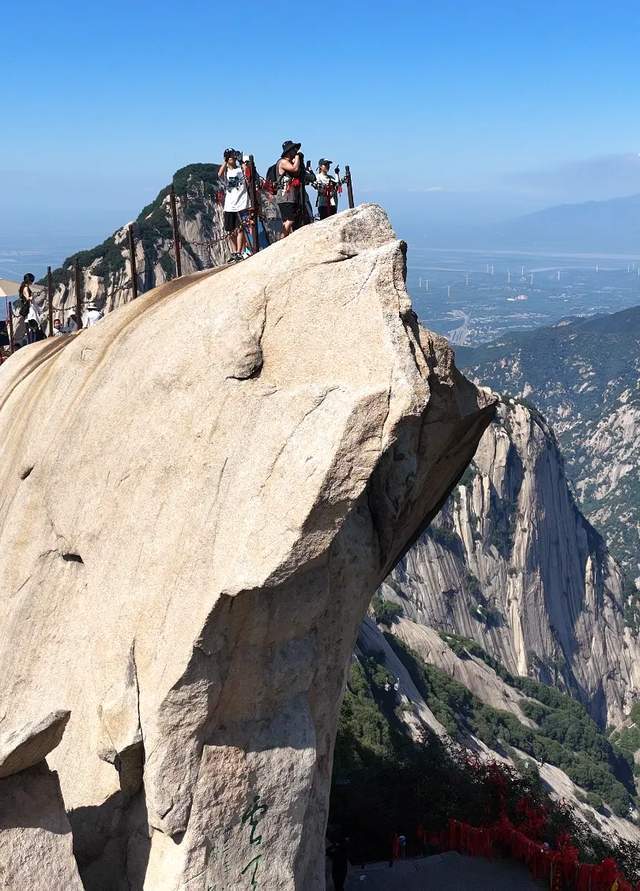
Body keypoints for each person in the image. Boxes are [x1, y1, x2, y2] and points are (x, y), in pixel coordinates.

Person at [218, 148, 250, 261]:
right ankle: (234, 252)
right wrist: (226, 160)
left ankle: (239, 252)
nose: (232, 158)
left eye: (233, 156)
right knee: (230, 231)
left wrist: (241, 161)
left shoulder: (240, 169)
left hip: (242, 204)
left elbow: (248, 174)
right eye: (230, 156)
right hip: (230, 205)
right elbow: (219, 174)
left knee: (240, 228)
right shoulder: (226, 172)